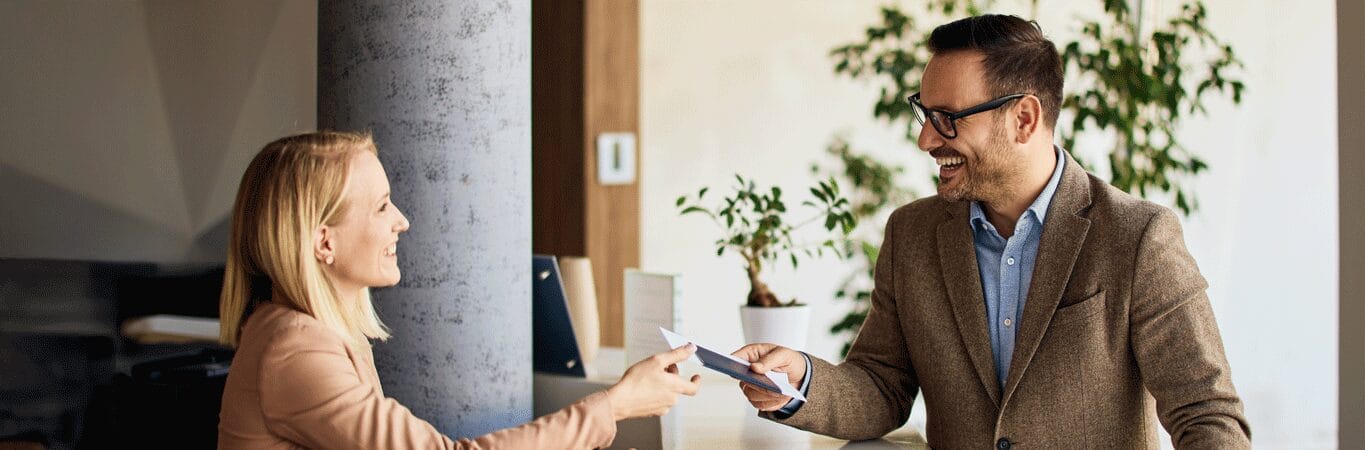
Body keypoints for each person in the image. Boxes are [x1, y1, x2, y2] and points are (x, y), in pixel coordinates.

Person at [732, 14, 1250, 448]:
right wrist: (799, 381)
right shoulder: (911, 235)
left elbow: (1207, 416)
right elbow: (882, 385)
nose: (925, 140)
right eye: (924, 113)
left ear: (1024, 119)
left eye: (947, 118)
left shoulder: (1137, 237)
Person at [216, 131, 701, 449]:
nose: (402, 222)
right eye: (382, 207)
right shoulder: (297, 351)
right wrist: (613, 405)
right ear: (325, 241)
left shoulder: (303, 332)